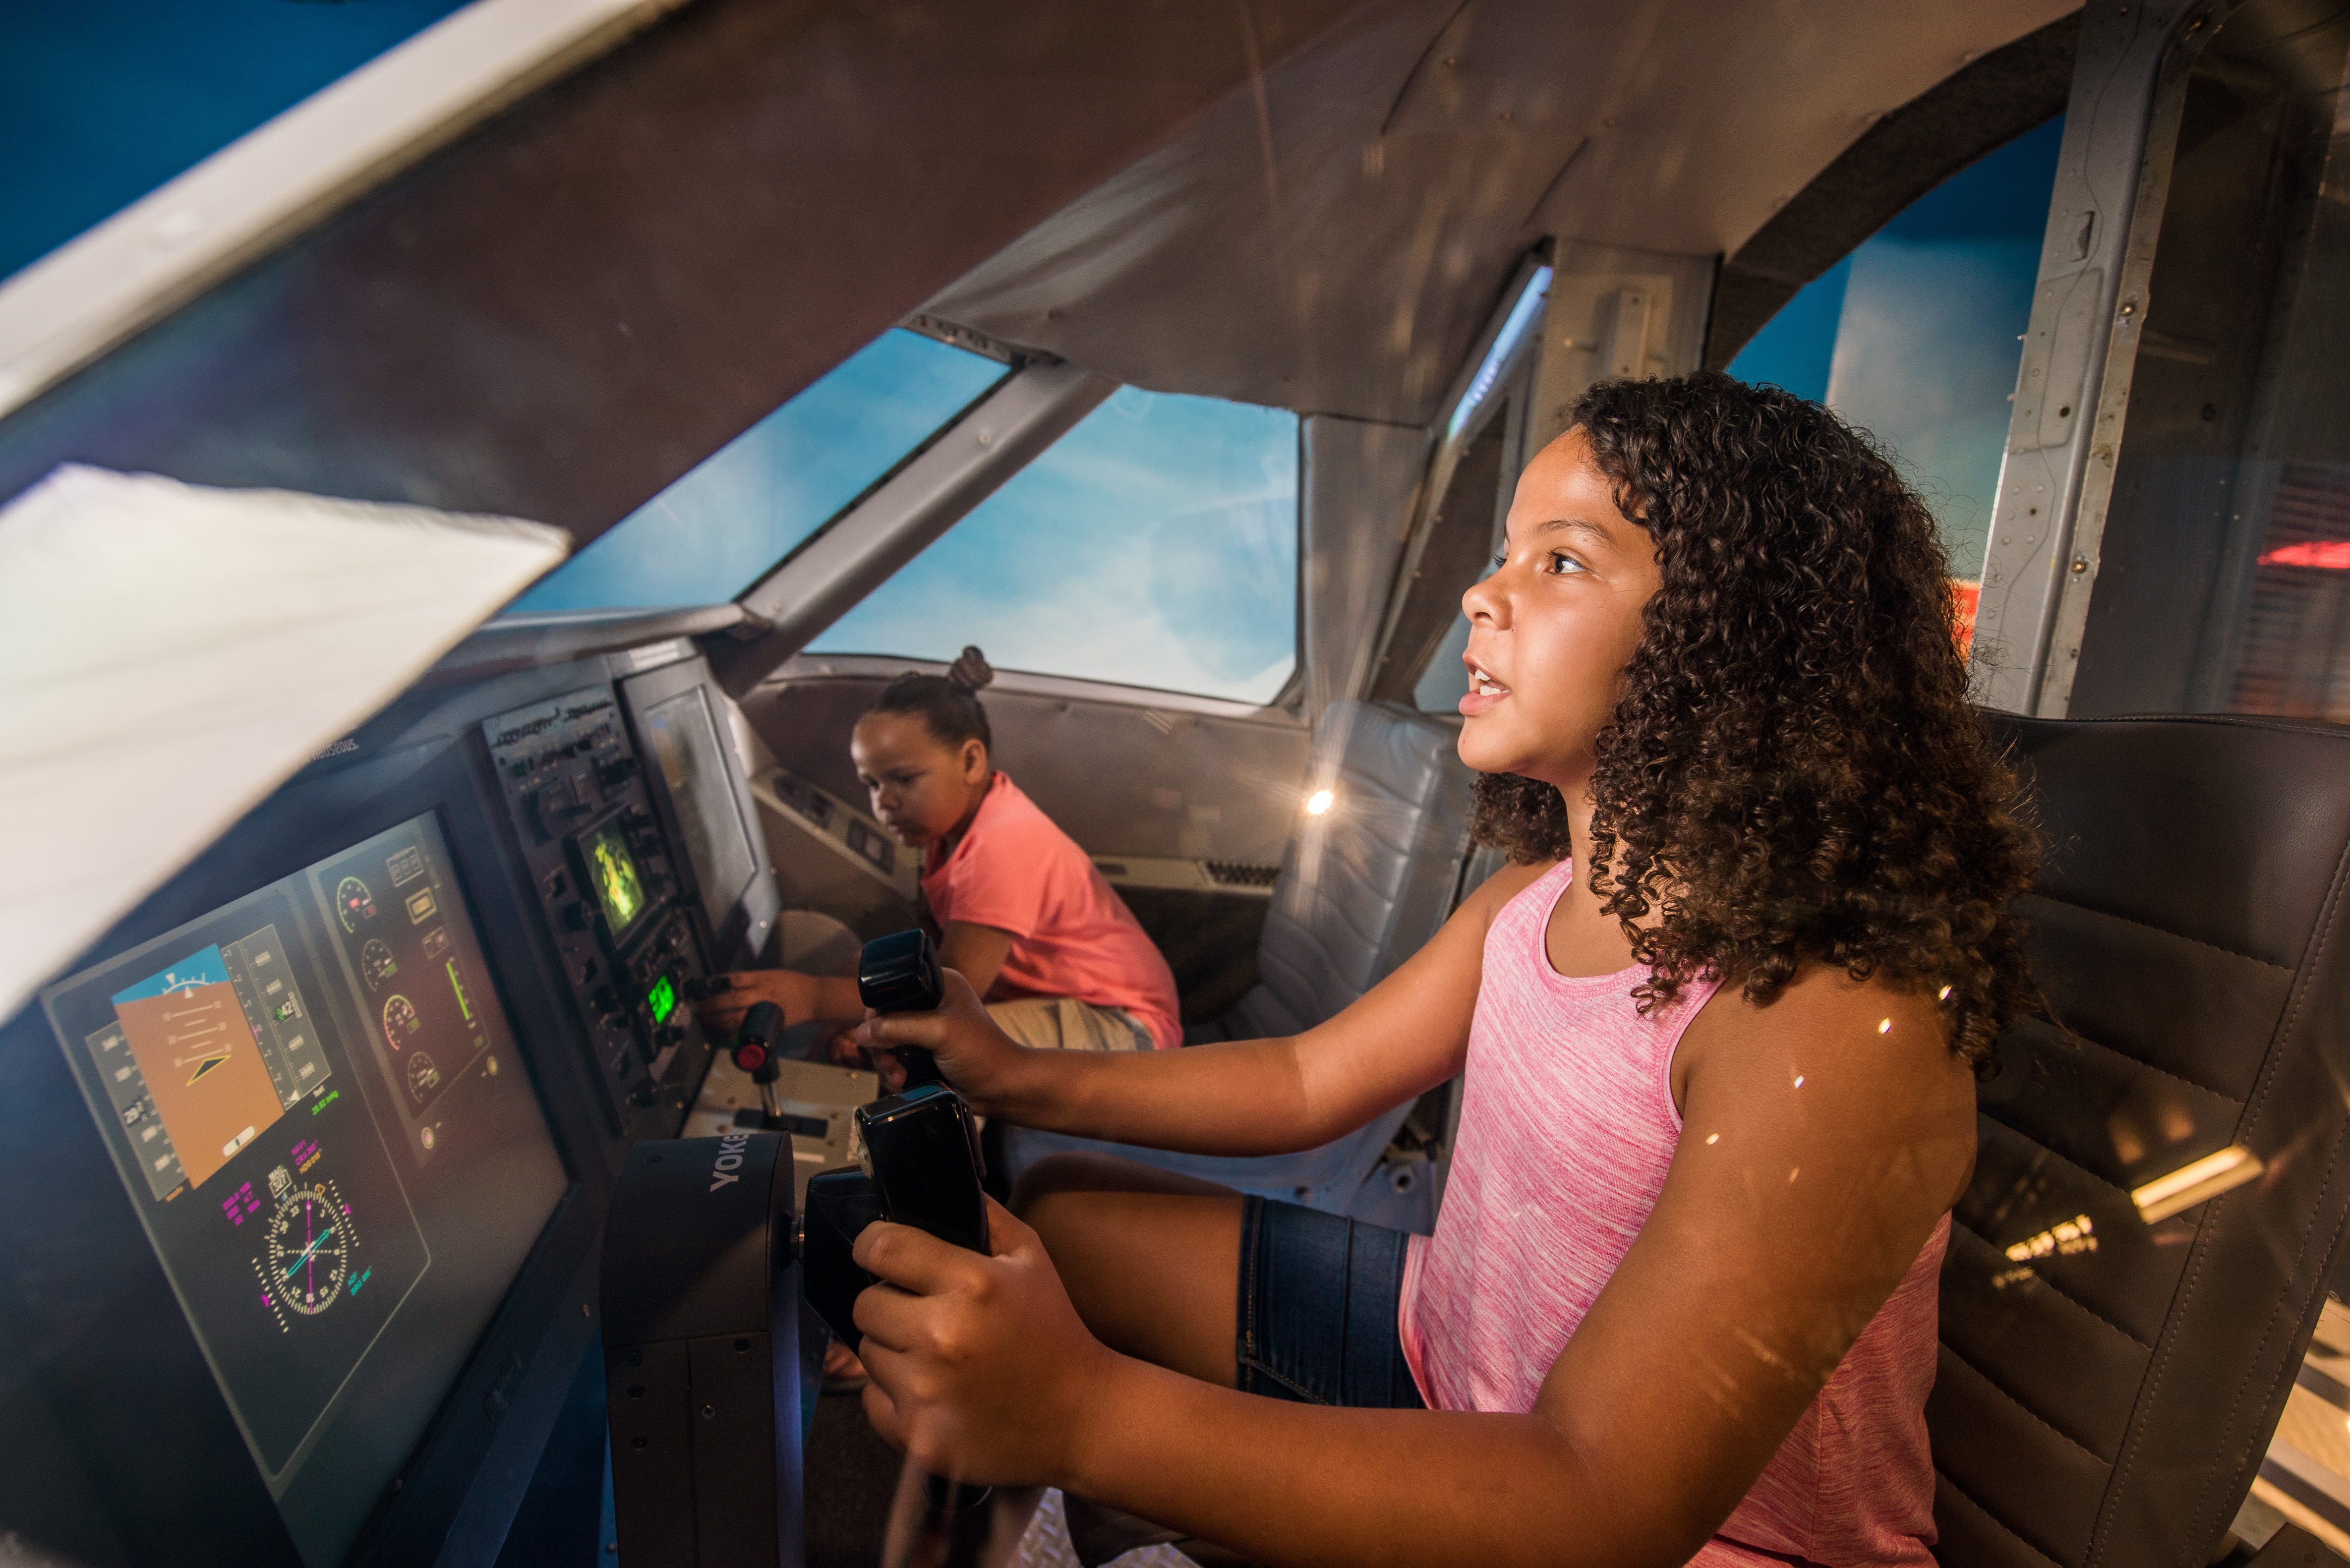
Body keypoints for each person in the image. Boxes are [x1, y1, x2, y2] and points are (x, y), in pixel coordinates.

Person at [836, 374, 2040, 1567]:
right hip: (1445, 1350)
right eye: (1504, 551)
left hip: (1639, 1518)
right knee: (1051, 1227)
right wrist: (1007, 1072)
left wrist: (1081, 1415)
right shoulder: (1535, 899)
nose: (1483, 592)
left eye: (1560, 560)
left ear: (1733, 630)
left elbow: (1598, 1500)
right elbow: (1312, 1080)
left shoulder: (1827, 1022)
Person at [696, 644, 1183, 1063]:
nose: (883, 801)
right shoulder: (949, 835)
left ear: (971, 761)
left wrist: (816, 997)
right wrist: (856, 990)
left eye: (904, 779)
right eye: (872, 783)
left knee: (944, 1050)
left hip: (1126, 1028)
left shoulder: (1001, 844)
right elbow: (931, 938)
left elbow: (949, 994)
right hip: (1066, 1003)